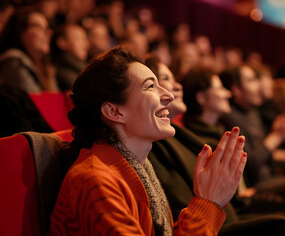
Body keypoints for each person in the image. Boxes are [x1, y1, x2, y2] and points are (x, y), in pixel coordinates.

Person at [48, 46, 248, 235]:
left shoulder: (137, 167)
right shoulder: (95, 181)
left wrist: (208, 200)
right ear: (114, 111)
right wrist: (207, 204)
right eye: (151, 86)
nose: (168, 95)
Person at [145, 55, 285, 235]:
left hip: (226, 209)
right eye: (165, 80)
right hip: (214, 218)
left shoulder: (201, 131)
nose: (227, 93)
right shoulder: (164, 142)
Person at [218, 65, 285, 204]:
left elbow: (266, 155)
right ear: (236, 89)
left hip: (271, 174)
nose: (258, 86)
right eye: (251, 80)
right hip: (257, 185)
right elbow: (251, 166)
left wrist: (278, 136)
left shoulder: (252, 112)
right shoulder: (230, 118)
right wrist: (277, 136)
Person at [0, 8, 59, 92]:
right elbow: (35, 103)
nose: (48, 33)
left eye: (47, 28)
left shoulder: (46, 67)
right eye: (39, 27)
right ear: (20, 31)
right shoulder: (14, 62)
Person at [52, 23, 89, 90]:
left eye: (85, 39)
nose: (86, 44)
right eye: (79, 38)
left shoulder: (82, 69)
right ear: (62, 42)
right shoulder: (62, 72)